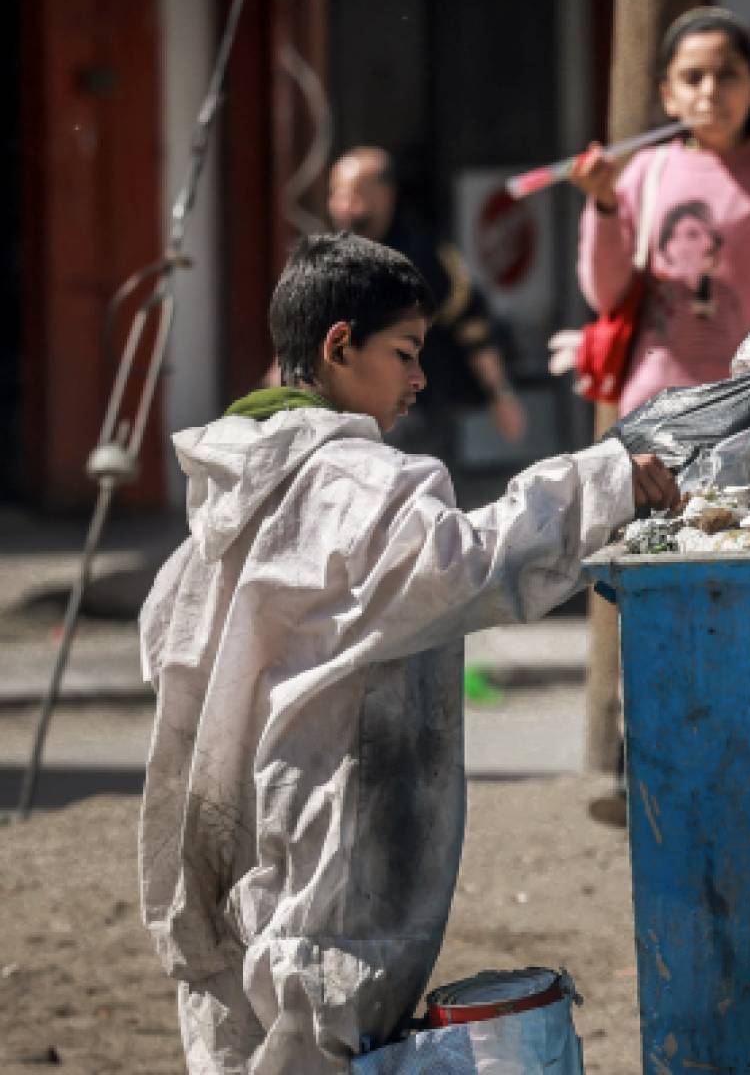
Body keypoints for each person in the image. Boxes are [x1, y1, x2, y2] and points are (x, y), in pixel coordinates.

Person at [137, 232, 678, 1071]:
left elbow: (162, 636)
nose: (419, 378)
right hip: (322, 825)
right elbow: (461, 569)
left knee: (244, 1036)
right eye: (404, 352)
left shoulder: (234, 477)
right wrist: (599, 483)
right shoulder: (354, 478)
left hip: (226, 826)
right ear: (338, 345)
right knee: (320, 1023)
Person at [570, 6, 750, 415]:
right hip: (652, 411)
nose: (710, 91)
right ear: (668, 96)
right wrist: (603, 205)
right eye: (692, 78)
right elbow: (604, 295)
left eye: (726, 75)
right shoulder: (644, 172)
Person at [327, 146, 529, 457]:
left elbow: (471, 325)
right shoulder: (328, 259)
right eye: (336, 194)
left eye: (354, 194)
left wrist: (500, 396)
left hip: (415, 415)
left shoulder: (422, 258)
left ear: (385, 195)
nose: (342, 205)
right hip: (344, 418)